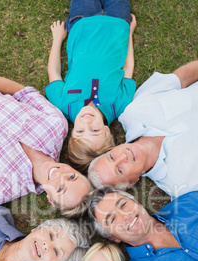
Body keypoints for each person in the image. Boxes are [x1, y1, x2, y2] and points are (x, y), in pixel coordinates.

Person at [88, 40, 198, 198]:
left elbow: (180, 78)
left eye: (111, 157)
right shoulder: (182, 186)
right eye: (120, 170)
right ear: (132, 182)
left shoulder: (134, 112)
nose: (122, 157)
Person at [0, 55, 92, 216]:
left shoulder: (3, 187)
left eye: (60, 188)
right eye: (72, 177)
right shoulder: (56, 126)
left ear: (50, 199)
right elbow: (22, 93)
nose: (60, 175)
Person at [45, 0, 137, 172]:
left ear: (71, 135)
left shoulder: (62, 103)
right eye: (94, 130)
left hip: (82, 22)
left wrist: (57, 39)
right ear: (108, 132)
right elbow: (128, 67)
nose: (86, 122)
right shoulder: (121, 103)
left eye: (79, 131)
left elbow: (54, 72)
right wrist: (129, 34)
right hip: (119, 23)